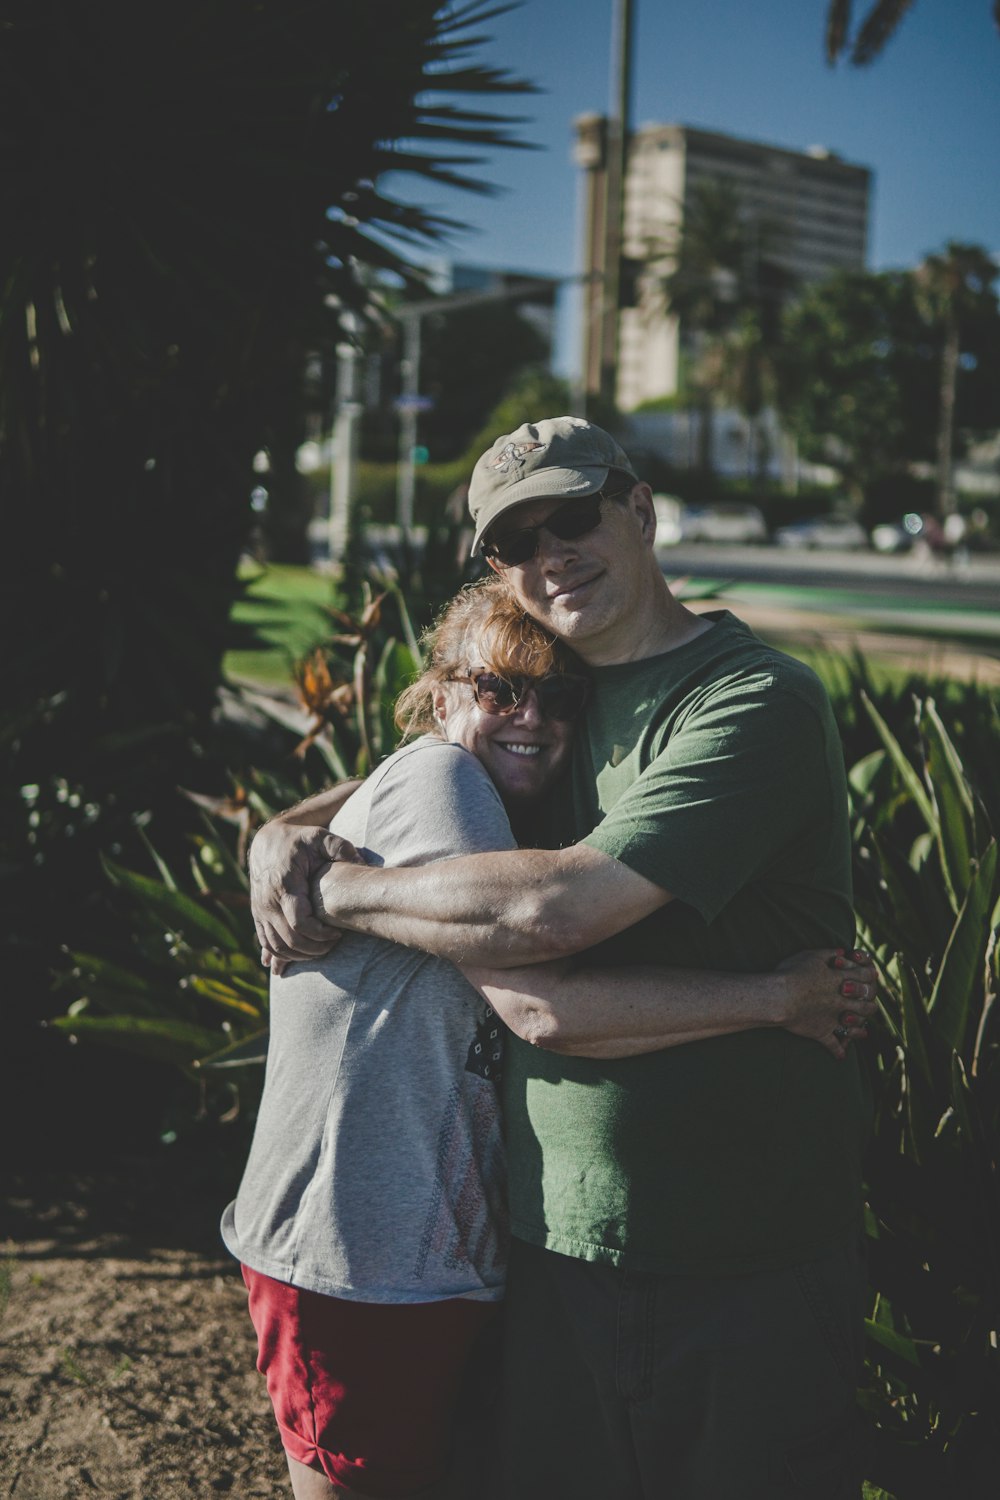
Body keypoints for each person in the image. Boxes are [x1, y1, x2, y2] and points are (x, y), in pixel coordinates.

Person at [250, 417, 876, 1500]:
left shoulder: (749, 701)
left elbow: (550, 914)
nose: (550, 554)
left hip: (735, 1254)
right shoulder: (553, 690)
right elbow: (420, 775)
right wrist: (279, 835)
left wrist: (339, 891)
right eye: (513, 542)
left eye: (572, 516)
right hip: (544, 1249)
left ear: (638, 511)